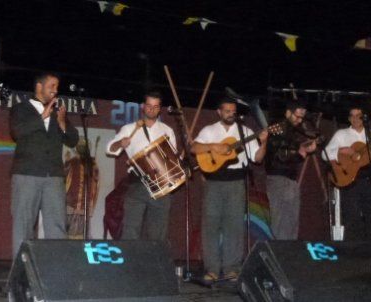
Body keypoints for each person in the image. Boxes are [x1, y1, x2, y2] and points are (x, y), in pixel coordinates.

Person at [191, 98, 268, 283]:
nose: (230, 113)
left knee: (234, 226)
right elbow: (194, 147)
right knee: (210, 226)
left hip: (236, 183)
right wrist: (213, 146)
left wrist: (264, 142)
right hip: (213, 183)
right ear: (219, 112)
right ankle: (212, 269)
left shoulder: (245, 131)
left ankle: (232, 269)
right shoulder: (209, 130)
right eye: (226, 110)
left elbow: (257, 158)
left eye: (233, 111)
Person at [9, 72, 78, 256]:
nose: (55, 91)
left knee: (57, 226)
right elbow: (17, 132)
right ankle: (21, 271)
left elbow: (73, 140)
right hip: (27, 174)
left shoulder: (58, 112)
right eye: (52, 86)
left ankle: (57, 272)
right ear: (39, 87)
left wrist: (63, 123)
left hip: (53, 176)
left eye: (57, 87)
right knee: (23, 226)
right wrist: (42, 117)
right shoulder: (21, 108)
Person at [323, 107, 371, 243]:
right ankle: (354, 253)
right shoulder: (341, 134)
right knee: (352, 215)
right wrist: (341, 151)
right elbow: (325, 154)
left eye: (358, 116)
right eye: (352, 116)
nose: (355, 119)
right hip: (351, 180)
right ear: (349, 119)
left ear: (364, 118)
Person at [106, 91, 177, 240]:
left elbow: (173, 158)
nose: (152, 109)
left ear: (159, 109)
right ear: (143, 107)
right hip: (137, 183)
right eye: (149, 106)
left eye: (156, 106)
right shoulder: (129, 128)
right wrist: (120, 143)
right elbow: (110, 149)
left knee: (158, 232)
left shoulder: (167, 130)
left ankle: (154, 262)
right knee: (131, 228)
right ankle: (130, 262)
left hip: (162, 185)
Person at [265, 100, 317, 240]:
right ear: (288, 113)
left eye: (302, 117)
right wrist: (298, 152)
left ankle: (288, 254)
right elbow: (279, 155)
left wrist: (302, 152)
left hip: (289, 179)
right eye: (297, 116)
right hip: (278, 179)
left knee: (291, 222)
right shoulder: (277, 128)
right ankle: (280, 254)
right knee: (281, 221)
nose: (299, 120)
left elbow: (290, 155)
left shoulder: (292, 130)